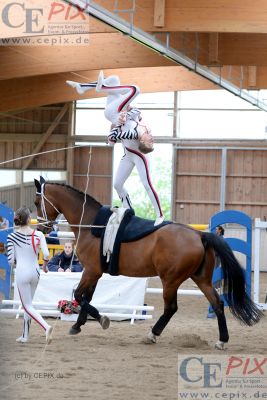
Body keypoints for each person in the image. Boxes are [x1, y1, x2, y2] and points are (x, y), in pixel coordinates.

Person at [66, 71, 164, 226]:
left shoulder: (137, 134)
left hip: (116, 118)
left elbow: (116, 136)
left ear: (143, 142)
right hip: (119, 123)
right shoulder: (142, 126)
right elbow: (137, 112)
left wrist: (118, 125)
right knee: (117, 184)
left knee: (135, 90)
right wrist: (127, 115)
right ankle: (84, 87)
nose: (152, 138)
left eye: (150, 141)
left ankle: (159, 214)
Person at [6, 207, 53, 344]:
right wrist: (44, 266)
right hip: (35, 272)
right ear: (28, 219)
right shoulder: (39, 235)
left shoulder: (11, 236)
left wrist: (17, 261)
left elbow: (10, 260)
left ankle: (46, 327)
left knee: (27, 306)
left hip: (22, 272)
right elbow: (46, 254)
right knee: (29, 305)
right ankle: (25, 335)